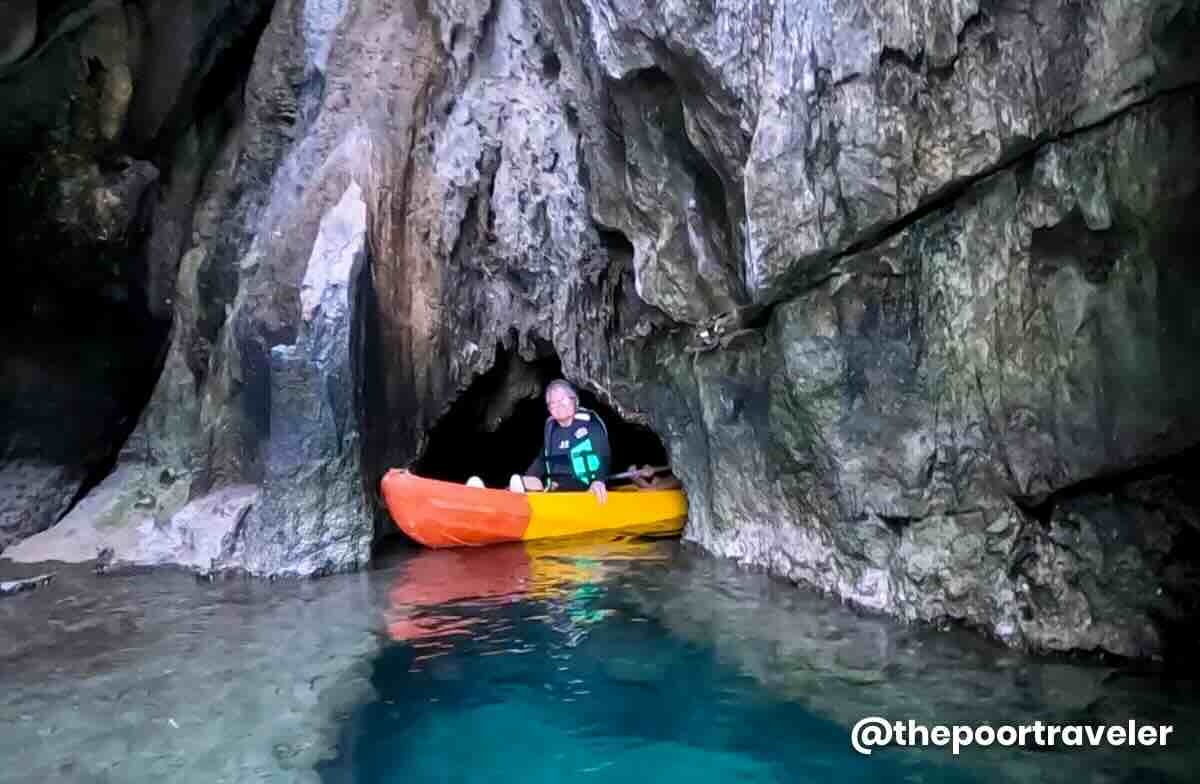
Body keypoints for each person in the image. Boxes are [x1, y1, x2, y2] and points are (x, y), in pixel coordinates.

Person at [510, 379, 611, 504]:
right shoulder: (551, 428)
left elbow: (604, 455)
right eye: (552, 403)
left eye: (563, 400)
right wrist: (527, 477)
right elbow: (542, 460)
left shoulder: (590, 424)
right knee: (524, 481)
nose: (558, 405)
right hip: (556, 489)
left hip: (585, 489)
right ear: (549, 409)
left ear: (575, 400)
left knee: (539, 485)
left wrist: (599, 481)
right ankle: (507, 494)